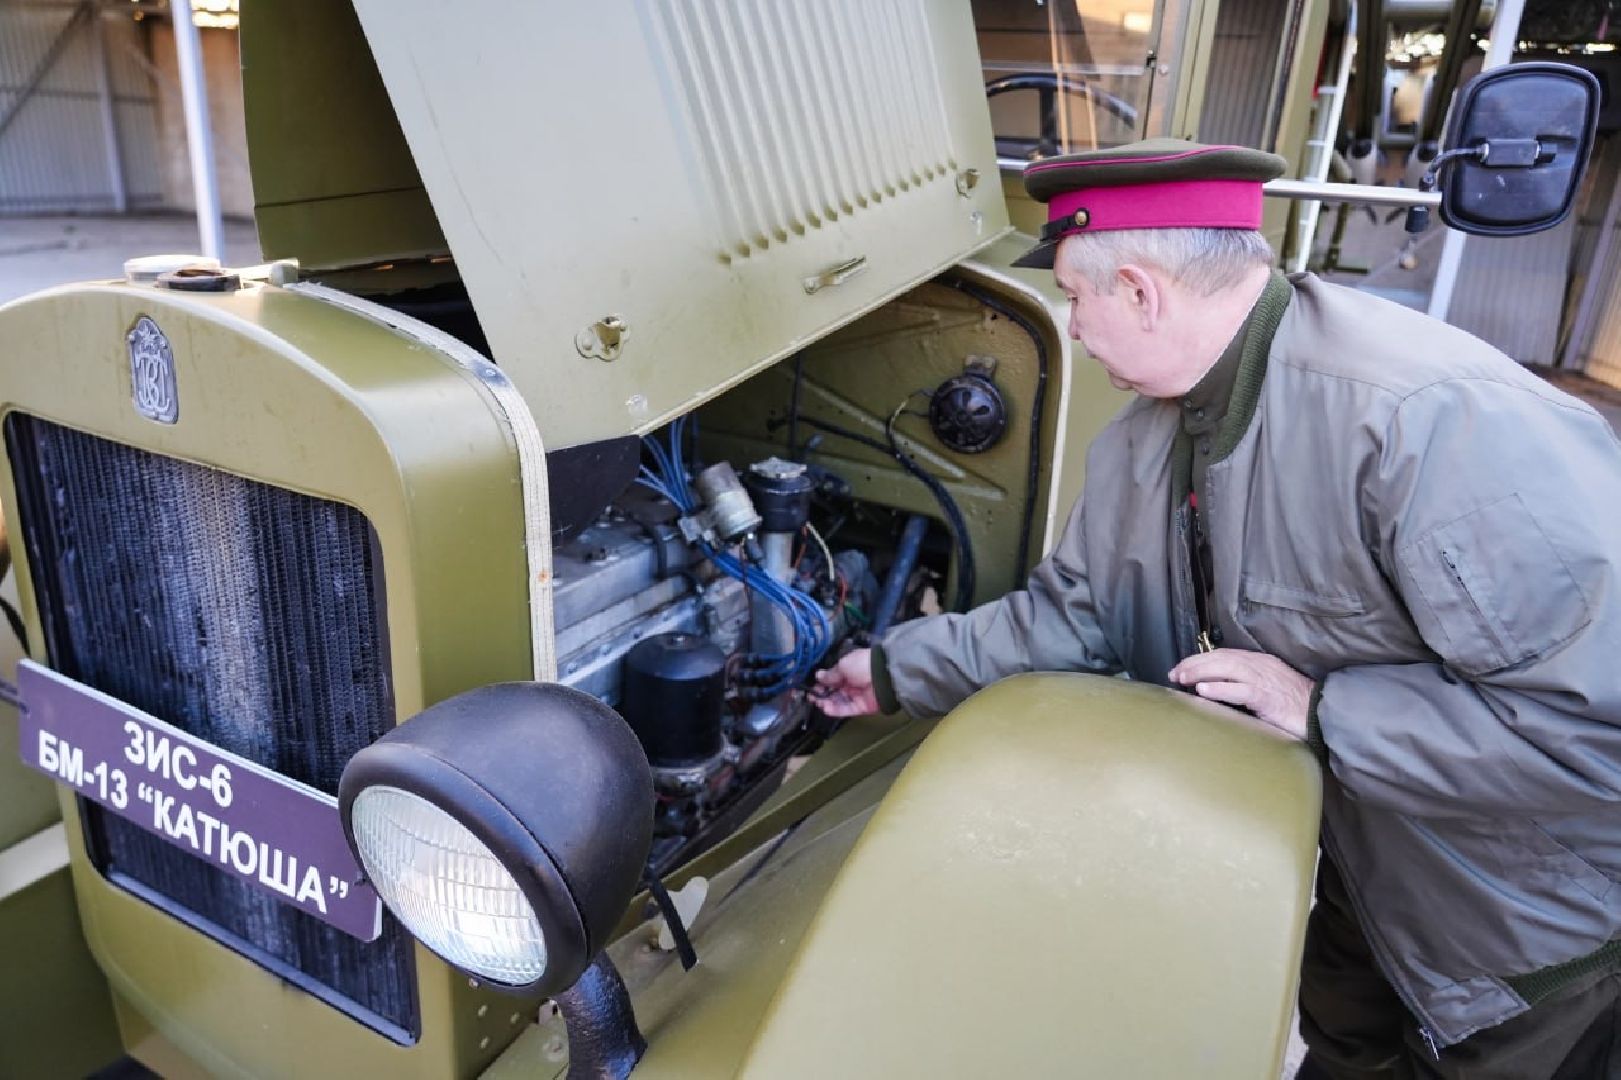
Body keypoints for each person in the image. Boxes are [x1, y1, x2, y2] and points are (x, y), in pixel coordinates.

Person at [812, 138, 1621, 1078]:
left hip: (1520, 943)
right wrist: (892, 670)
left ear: (1143, 291)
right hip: (1370, 887)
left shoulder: (1428, 422)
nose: (1071, 328)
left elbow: (1591, 728)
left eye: (1078, 298)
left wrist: (1322, 713)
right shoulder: (1153, 435)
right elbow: (1072, 620)